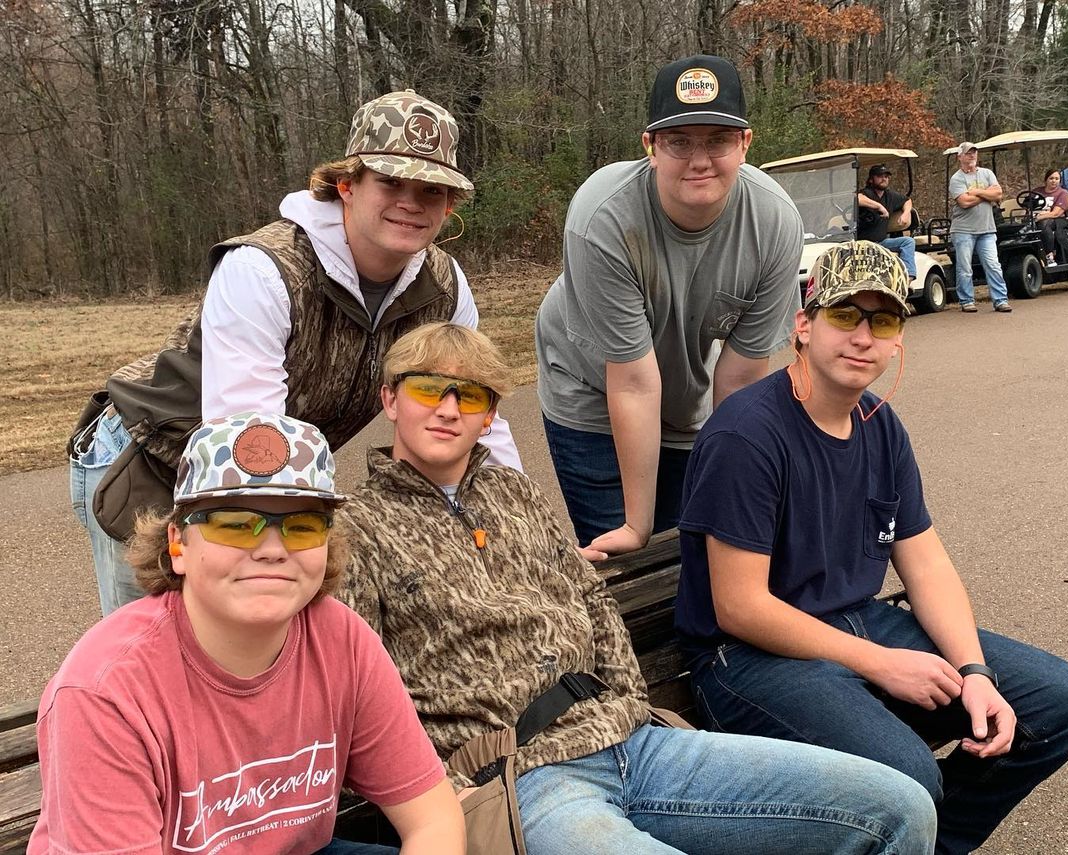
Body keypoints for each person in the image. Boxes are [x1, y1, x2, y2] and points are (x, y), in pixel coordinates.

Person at [338, 321, 937, 854]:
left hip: (635, 741)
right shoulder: (353, 528)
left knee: (899, 808)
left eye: (469, 396)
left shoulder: (515, 494)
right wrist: (437, 795)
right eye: (425, 389)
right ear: (390, 399)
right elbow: (351, 680)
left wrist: (627, 702)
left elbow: (594, 604)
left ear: (489, 415)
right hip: (524, 778)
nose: (448, 409)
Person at [674, 241, 1068, 855]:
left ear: (899, 335)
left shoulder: (879, 422)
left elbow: (924, 561)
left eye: (884, 320)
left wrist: (974, 672)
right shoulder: (747, 435)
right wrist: (879, 663)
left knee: (1062, 703)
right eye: (846, 315)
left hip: (859, 625)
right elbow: (740, 607)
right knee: (909, 778)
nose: (863, 336)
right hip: (747, 659)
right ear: (805, 323)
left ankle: (926, 844)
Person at [69, 89, 521, 617]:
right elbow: (250, 441)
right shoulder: (263, 268)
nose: (411, 201)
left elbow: (478, 412)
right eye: (391, 181)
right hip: (151, 454)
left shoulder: (445, 285)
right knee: (159, 642)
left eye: (432, 189)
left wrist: (516, 522)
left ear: (450, 205)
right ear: (346, 185)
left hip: (259, 460)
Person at [32, 412, 465, 854]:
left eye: (302, 525)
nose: (273, 550)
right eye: (235, 524)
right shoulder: (105, 693)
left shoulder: (342, 639)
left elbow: (432, 818)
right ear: (178, 543)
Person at [535, 54, 802, 556]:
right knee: (627, 558)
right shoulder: (603, 216)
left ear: (745, 144)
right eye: (679, 141)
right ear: (650, 147)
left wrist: (738, 488)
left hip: (684, 392)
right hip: (590, 385)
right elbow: (633, 381)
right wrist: (636, 527)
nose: (699, 160)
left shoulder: (776, 223)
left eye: (718, 140)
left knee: (695, 550)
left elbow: (741, 377)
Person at [947, 141, 1012, 313]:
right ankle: (966, 300)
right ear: (959, 156)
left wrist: (976, 192)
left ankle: (1000, 300)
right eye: (968, 152)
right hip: (963, 230)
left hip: (987, 229)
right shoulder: (957, 178)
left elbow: (998, 193)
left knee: (993, 264)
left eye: (974, 152)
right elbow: (964, 202)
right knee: (965, 267)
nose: (972, 155)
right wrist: (986, 195)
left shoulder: (987, 173)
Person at [857, 163, 917, 281]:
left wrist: (905, 214)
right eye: (880, 176)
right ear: (871, 179)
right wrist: (879, 206)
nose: (884, 178)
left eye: (886, 176)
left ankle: (907, 277)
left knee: (908, 241)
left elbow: (907, 200)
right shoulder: (867, 193)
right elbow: (857, 199)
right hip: (863, 244)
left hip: (882, 242)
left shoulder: (890, 196)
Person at [1030, 169, 1068, 267]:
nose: (1054, 181)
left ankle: (1049, 256)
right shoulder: (1036, 191)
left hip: (1057, 220)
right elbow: (1028, 205)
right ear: (1046, 180)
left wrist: (1040, 217)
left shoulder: (1062, 193)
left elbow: (1056, 213)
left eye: (1056, 179)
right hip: (1035, 217)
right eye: (1051, 178)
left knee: (1044, 224)